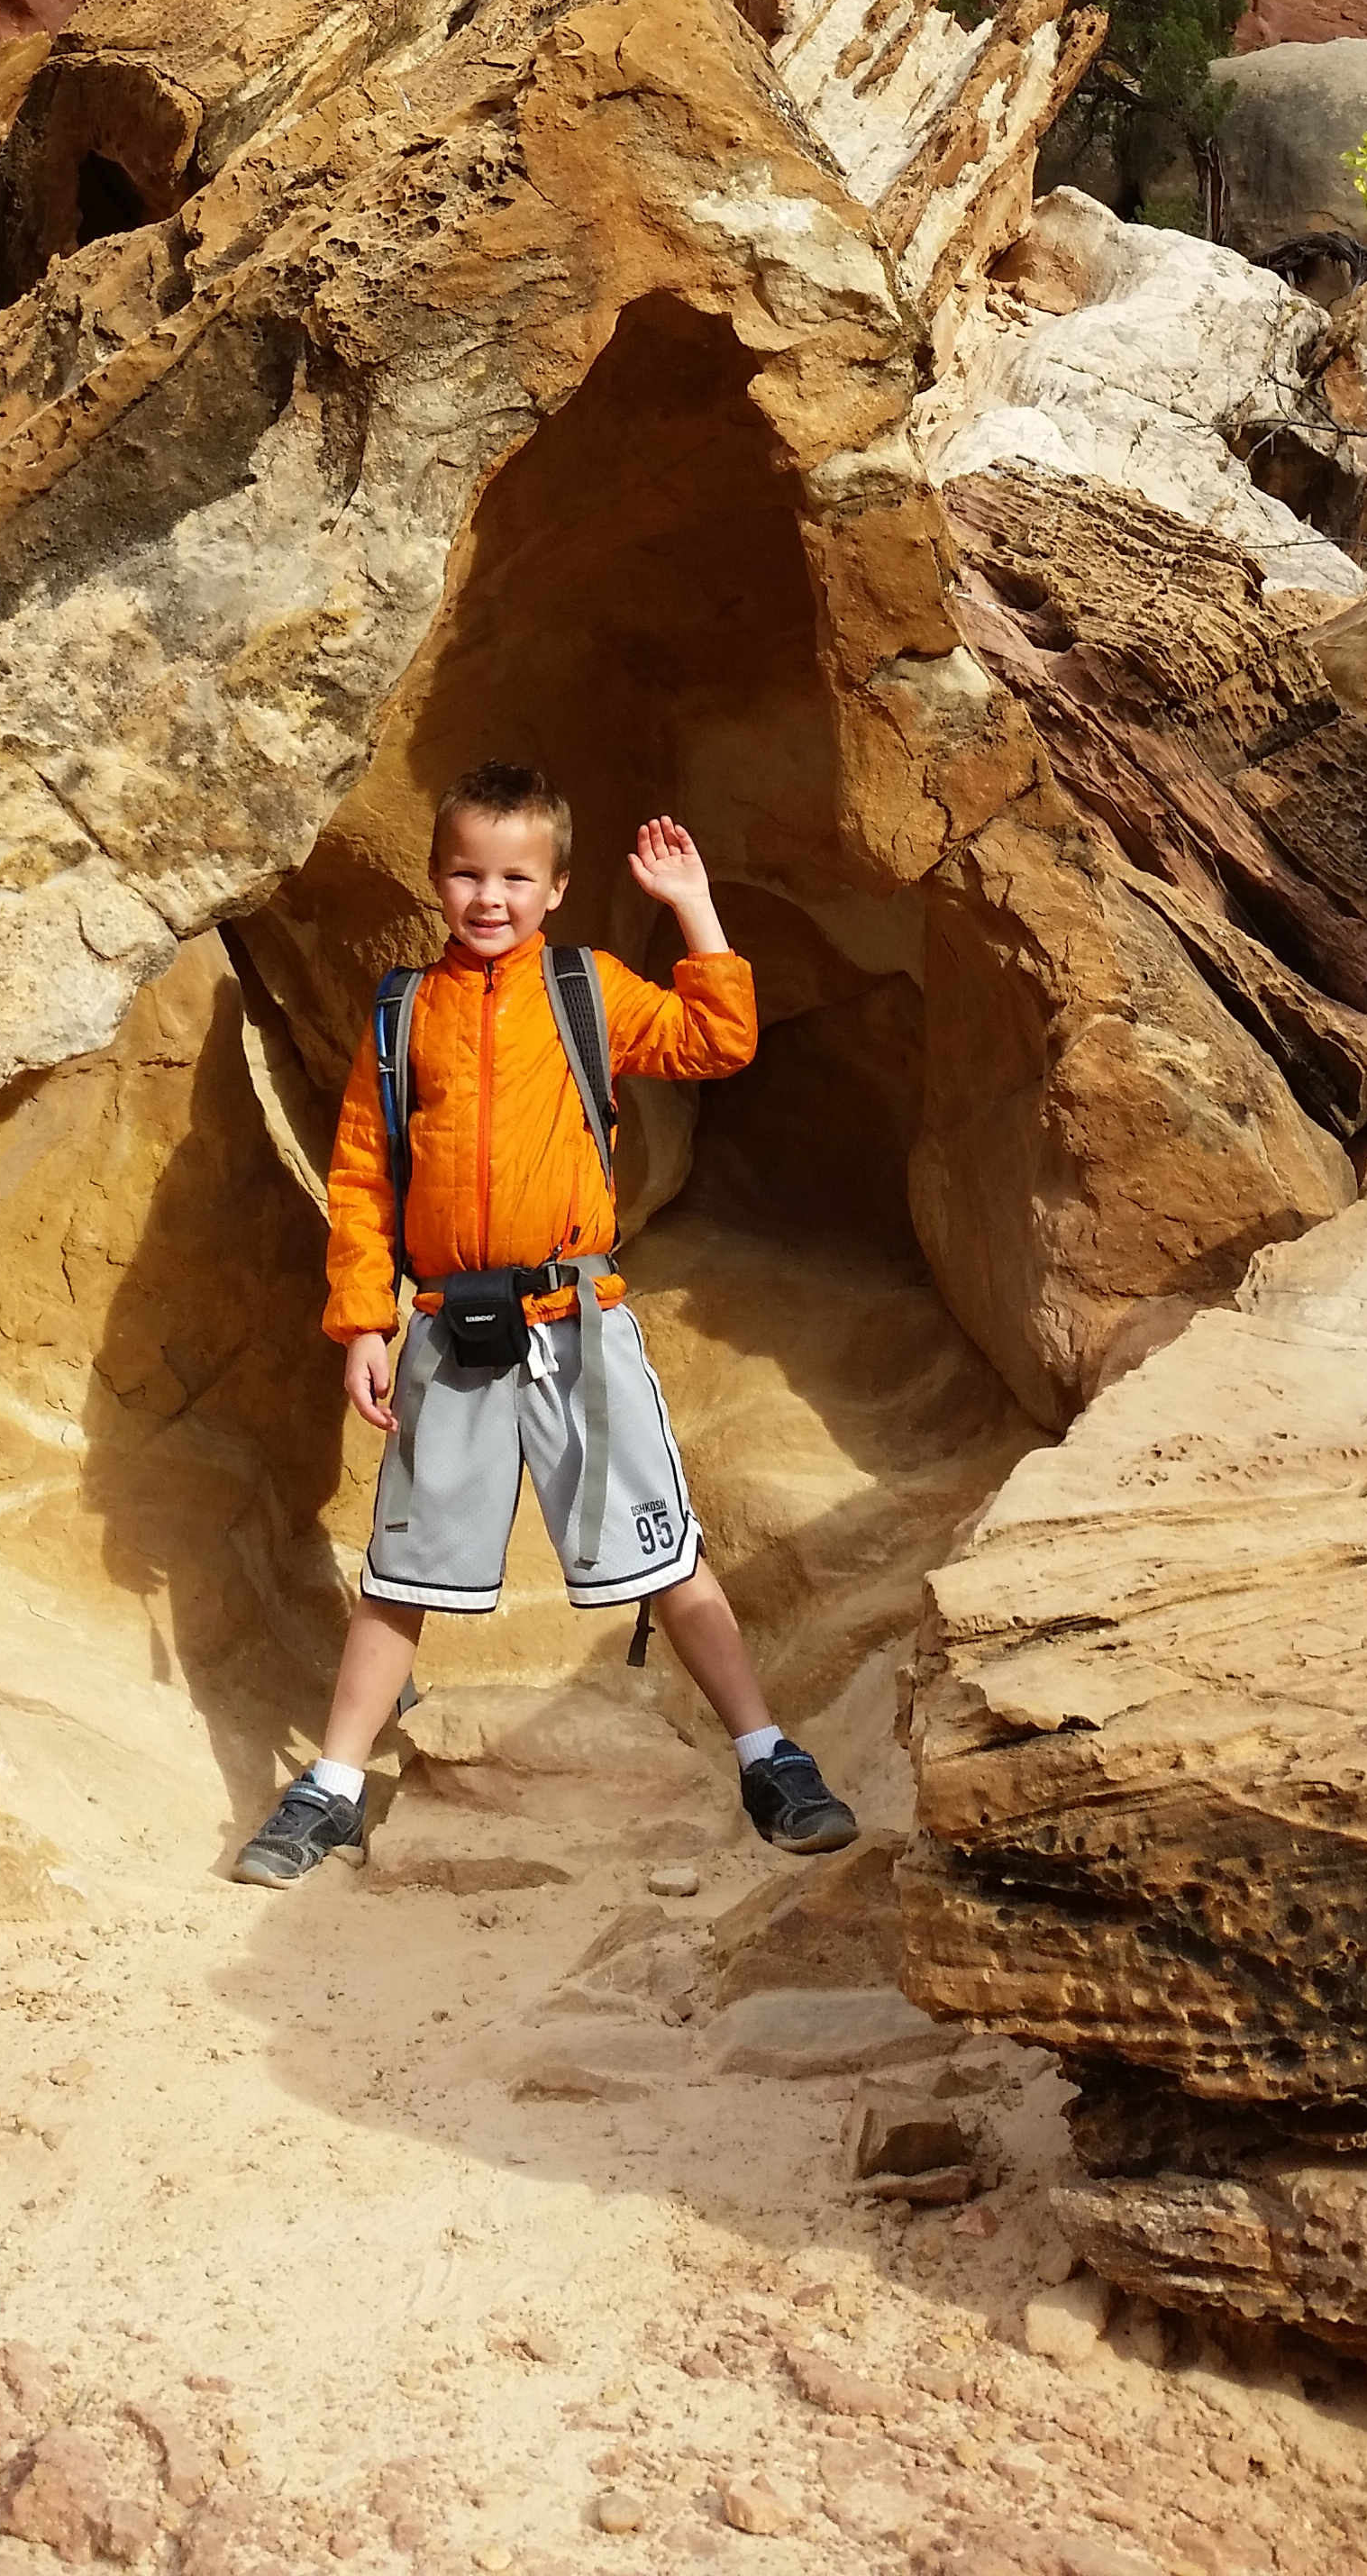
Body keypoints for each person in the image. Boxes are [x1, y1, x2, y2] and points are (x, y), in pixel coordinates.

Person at [234, 757, 858, 1887]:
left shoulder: (584, 986)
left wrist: (693, 907)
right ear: (434, 877)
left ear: (556, 886)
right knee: (402, 1563)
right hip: (444, 1323)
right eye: (469, 873)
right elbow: (366, 1176)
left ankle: (769, 1755)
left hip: (577, 1317)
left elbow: (717, 1042)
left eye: (516, 877)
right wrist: (364, 1322)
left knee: (665, 1546)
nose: (490, 897)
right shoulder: (402, 1008)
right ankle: (329, 1783)